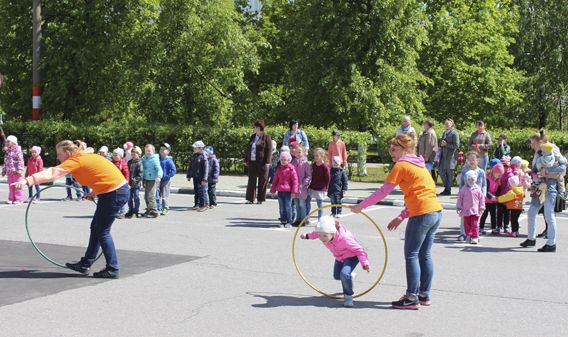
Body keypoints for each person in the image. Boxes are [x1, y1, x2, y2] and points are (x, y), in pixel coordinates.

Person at [12, 140, 129, 278]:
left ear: (67, 153)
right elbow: (102, 175)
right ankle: (85, 264)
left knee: (102, 231)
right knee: (96, 228)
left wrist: (27, 181)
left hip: (113, 193)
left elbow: (52, 173)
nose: (57, 157)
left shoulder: (76, 160)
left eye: (59, 154)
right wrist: (94, 193)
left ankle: (112, 268)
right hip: (114, 190)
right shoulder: (83, 157)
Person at [352, 133, 442, 310]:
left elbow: (383, 192)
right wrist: (401, 216)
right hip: (435, 212)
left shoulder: (401, 165)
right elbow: (421, 192)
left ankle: (411, 298)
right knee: (424, 255)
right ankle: (423, 294)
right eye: (390, 149)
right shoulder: (419, 165)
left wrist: (361, 206)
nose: (391, 152)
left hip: (423, 213)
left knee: (412, 255)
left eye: (394, 149)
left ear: (405, 149)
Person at [300, 216, 370, 307]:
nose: (322, 238)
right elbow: (315, 234)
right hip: (339, 257)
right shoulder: (324, 232)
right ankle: (349, 276)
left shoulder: (345, 238)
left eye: (325, 236)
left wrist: (364, 263)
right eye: (320, 235)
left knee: (344, 274)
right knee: (337, 276)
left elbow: (360, 250)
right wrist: (307, 236)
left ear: (333, 233)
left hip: (352, 256)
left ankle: (348, 297)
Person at [521, 129, 565, 252]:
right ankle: (531, 238)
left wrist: (547, 172)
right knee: (531, 212)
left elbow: (563, 167)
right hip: (539, 186)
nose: (531, 146)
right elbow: (537, 168)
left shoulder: (552, 149)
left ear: (540, 141)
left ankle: (551, 243)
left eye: (533, 143)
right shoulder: (539, 152)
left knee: (549, 215)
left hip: (549, 186)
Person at [457, 152, 487, 241]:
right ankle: (463, 234)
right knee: (464, 216)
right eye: (469, 160)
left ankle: (475, 234)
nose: (471, 161)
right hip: (466, 197)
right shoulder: (465, 170)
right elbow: (462, 184)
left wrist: (484, 194)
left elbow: (484, 184)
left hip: (477, 198)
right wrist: (460, 195)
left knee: (475, 218)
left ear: (478, 160)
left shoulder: (481, 172)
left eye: (473, 159)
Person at [245, 120, 273, 204]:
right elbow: (248, 149)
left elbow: (269, 150)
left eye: (254, 127)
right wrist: (246, 159)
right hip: (252, 162)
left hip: (262, 162)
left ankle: (260, 199)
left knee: (262, 181)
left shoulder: (266, 137)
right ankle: (250, 198)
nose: (253, 129)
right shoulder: (253, 137)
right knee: (251, 180)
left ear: (259, 128)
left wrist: (267, 162)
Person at [270, 152, 298, 228]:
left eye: (284, 159)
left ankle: (289, 221)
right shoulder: (279, 169)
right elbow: (275, 181)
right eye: (281, 159)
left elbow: (295, 181)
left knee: (288, 207)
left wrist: (294, 191)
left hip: (288, 192)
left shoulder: (291, 169)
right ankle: (283, 221)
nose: (283, 161)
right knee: (282, 207)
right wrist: (273, 191)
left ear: (288, 160)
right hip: (280, 192)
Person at [438, 119, 460, 196]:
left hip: (451, 157)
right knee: (441, 171)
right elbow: (441, 144)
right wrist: (441, 144)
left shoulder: (454, 133)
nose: (446, 125)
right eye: (445, 123)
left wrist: (446, 144)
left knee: (449, 173)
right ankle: (446, 187)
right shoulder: (444, 133)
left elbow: (457, 145)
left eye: (448, 123)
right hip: (443, 156)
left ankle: (448, 189)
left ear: (452, 124)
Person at [480, 163, 503, 235]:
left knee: (493, 215)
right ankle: (481, 228)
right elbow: (485, 190)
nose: (499, 176)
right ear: (494, 172)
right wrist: (491, 197)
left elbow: (498, 190)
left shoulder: (498, 181)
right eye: (498, 174)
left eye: (500, 174)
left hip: (493, 201)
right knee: (484, 214)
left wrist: (496, 197)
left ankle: (493, 228)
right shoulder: (487, 179)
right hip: (486, 200)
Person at [291, 145, 311, 226]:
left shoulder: (305, 163)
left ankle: (303, 220)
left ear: (303, 153)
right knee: (296, 204)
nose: (298, 154)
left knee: (302, 204)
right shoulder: (293, 162)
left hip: (302, 188)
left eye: (300, 152)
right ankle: (298, 219)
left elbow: (309, 175)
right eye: (296, 152)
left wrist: (304, 183)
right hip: (295, 187)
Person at [309, 148, 331, 220]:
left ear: (322, 156)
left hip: (320, 188)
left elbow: (328, 178)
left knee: (320, 205)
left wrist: (325, 187)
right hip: (312, 186)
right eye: (314, 156)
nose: (315, 157)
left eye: (317, 156)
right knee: (307, 202)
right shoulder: (314, 165)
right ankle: (306, 218)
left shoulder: (324, 166)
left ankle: (320, 219)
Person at [141, 144, 163, 218]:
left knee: (151, 196)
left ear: (153, 151)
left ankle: (154, 211)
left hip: (153, 180)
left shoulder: (154, 159)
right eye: (146, 151)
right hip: (146, 179)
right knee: (146, 196)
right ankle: (149, 210)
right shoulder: (144, 158)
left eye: (149, 151)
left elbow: (159, 169)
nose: (147, 152)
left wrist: (159, 176)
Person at [187, 141, 209, 211]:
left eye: (195, 147)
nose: (193, 148)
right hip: (195, 176)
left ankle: (203, 205)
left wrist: (204, 179)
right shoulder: (194, 155)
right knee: (196, 191)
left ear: (200, 148)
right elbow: (191, 166)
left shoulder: (203, 156)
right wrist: (189, 175)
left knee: (201, 191)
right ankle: (196, 204)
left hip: (201, 178)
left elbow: (206, 169)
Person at [2, 135, 24, 204]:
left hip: (17, 172)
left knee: (17, 186)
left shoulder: (18, 150)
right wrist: (4, 170)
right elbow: (6, 161)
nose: (7, 143)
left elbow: (20, 160)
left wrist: (20, 169)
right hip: (9, 172)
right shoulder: (8, 151)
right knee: (11, 186)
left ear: (13, 142)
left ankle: (18, 199)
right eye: (6, 142)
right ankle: (11, 198)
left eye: (8, 141)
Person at [157, 143, 177, 215]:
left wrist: (167, 177)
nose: (162, 150)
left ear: (168, 151)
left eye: (164, 149)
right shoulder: (158, 159)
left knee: (165, 195)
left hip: (166, 180)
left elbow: (173, 170)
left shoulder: (169, 160)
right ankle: (157, 207)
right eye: (161, 149)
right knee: (157, 194)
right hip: (158, 180)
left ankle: (165, 208)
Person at [111, 148, 130, 219]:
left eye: (116, 155)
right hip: (113, 183)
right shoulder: (111, 162)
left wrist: (127, 182)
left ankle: (122, 212)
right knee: (114, 197)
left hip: (121, 183)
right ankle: (116, 211)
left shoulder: (123, 163)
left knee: (121, 198)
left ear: (121, 156)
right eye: (114, 155)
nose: (115, 156)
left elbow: (126, 174)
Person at [126, 146, 143, 218]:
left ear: (138, 154)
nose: (132, 155)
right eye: (132, 154)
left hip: (136, 185)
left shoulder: (139, 162)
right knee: (129, 198)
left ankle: (136, 211)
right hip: (128, 184)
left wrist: (133, 181)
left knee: (136, 197)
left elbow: (140, 175)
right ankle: (130, 210)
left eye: (134, 154)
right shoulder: (129, 162)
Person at [497, 156, 513, 233]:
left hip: (507, 196)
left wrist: (505, 196)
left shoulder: (510, 175)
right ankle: (499, 226)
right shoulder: (500, 173)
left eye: (506, 166)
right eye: (503, 166)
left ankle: (506, 225)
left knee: (506, 211)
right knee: (499, 211)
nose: (504, 168)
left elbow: (509, 187)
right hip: (500, 195)